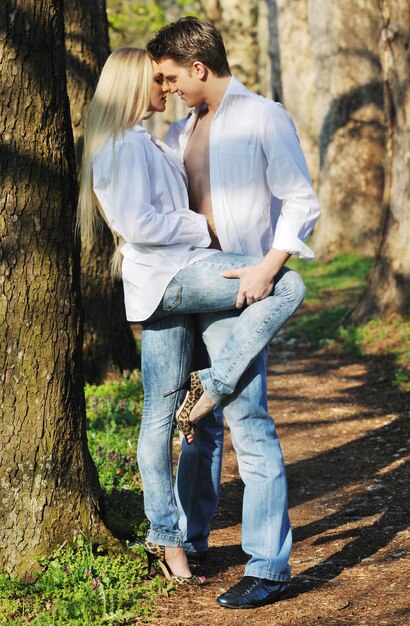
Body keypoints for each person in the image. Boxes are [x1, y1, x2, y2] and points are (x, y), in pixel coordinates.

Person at [77, 47, 311, 588]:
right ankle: (170, 524)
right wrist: (199, 230)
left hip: (176, 279)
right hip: (176, 277)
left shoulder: (160, 137)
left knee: (168, 418)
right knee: (287, 283)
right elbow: (138, 223)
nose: (165, 86)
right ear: (136, 83)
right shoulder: (122, 144)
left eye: (169, 76)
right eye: (156, 79)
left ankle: (183, 539)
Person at [147, 17, 320, 608]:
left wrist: (268, 268)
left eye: (172, 77)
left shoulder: (263, 117)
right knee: (197, 425)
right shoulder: (178, 132)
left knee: (248, 420)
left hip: (240, 290)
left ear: (198, 67)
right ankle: (192, 540)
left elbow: (302, 199)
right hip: (189, 285)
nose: (167, 88)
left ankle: (269, 565)